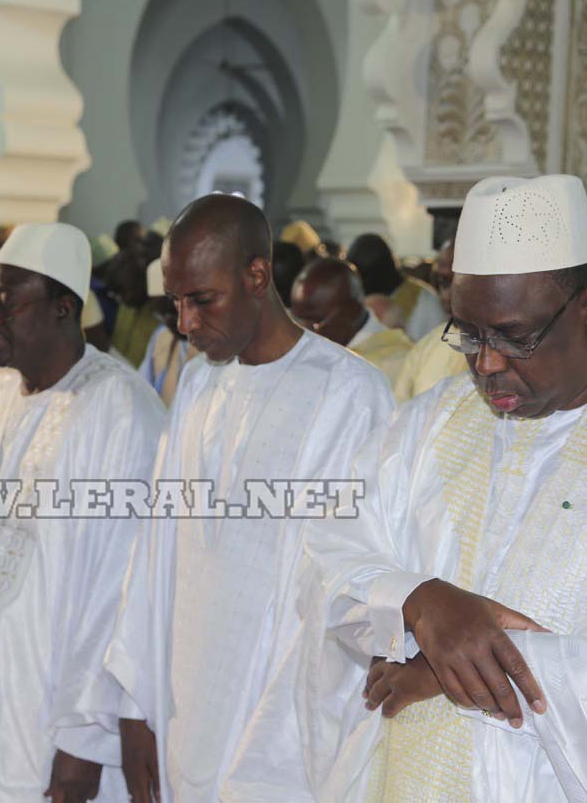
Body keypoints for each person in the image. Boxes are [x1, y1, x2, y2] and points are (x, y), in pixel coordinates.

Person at [224, 174, 587, 802]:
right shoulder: (427, 423)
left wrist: (454, 664)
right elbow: (330, 557)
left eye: (515, 336)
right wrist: (419, 602)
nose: (485, 363)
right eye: (467, 333)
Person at [107, 194, 394, 803]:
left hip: (279, 733)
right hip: (185, 709)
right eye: (176, 301)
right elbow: (156, 548)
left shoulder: (349, 395)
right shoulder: (200, 383)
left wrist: (270, 759)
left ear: (257, 276)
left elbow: (339, 593)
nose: (184, 322)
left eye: (201, 300)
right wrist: (135, 702)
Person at [0, 222, 165, 802]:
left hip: (41, 714)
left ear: (65, 308)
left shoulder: (120, 409)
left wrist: (83, 744)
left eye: (5, 302)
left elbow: (120, 590)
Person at [289, 258, 413, 384]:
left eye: (314, 322)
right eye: (296, 320)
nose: (302, 334)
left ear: (352, 311)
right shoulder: (309, 349)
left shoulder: (397, 363)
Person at [393, 236, 466, 402]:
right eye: (444, 283)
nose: (446, 296)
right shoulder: (427, 347)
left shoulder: (518, 347)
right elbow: (401, 415)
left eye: (460, 282)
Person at [348, 232, 445, 340]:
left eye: (367, 274)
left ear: (385, 269)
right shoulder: (355, 299)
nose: (363, 281)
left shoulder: (427, 301)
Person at [137, 258, 198, 405]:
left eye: (173, 312)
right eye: (162, 315)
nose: (170, 322)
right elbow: (142, 388)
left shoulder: (213, 346)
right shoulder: (162, 336)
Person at [108, 250, 161, 365]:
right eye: (117, 294)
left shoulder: (159, 317)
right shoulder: (125, 307)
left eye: (125, 292)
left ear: (142, 281)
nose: (121, 300)